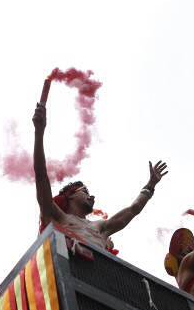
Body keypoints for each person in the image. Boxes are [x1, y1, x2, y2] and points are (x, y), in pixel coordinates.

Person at [32, 100, 168, 252]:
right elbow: (41, 176)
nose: (92, 196)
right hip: (63, 273)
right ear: (70, 196)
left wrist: (150, 185)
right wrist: (39, 131)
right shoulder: (57, 218)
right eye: (85, 191)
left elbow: (133, 209)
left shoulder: (101, 227)